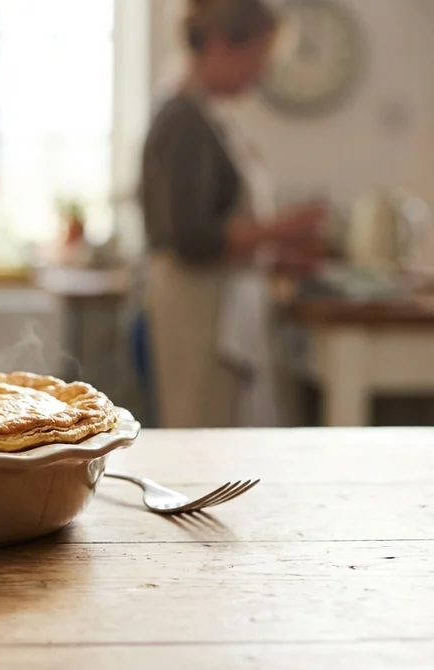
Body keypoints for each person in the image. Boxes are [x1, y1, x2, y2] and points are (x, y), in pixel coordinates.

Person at [138, 0, 327, 428]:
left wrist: (276, 257)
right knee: (201, 438)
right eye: (259, 56)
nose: (261, 73)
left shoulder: (207, 115)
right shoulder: (184, 119)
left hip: (213, 302)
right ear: (222, 45)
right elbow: (193, 237)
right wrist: (282, 229)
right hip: (194, 310)